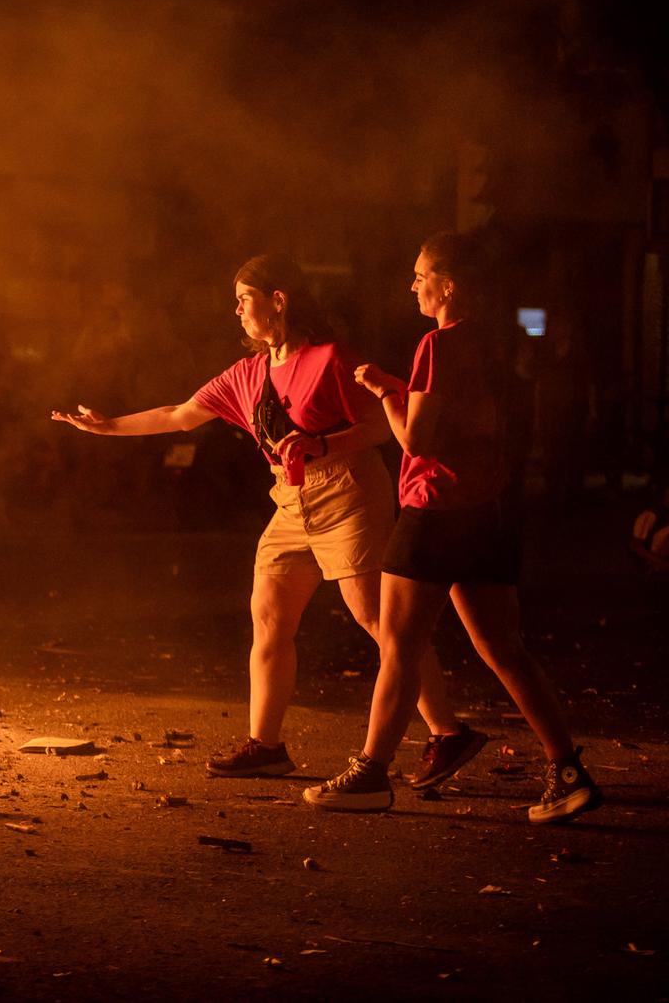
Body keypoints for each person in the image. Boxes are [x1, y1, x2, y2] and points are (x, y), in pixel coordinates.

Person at [54, 255, 470, 780]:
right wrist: (107, 427)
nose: (236, 310)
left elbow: (379, 429)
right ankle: (265, 745)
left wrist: (320, 443)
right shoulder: (249, 373)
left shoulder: (330, 358)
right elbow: (180, 415)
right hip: (291, 500)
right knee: (269, 617)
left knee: (381, 621)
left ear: (279, 300)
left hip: (349, 493)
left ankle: (448, 732)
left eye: (244, 298)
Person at [305, 233, 602, 821]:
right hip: (487, 511)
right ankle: (567, 770)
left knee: (399, 646)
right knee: (504, 649)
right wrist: (398, 387)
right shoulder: (497, 343)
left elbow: (416, 437)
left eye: (421, 276)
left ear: (450, 285)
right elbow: (462, 420)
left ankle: (369, 773)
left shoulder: (438, 343)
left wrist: (381, 395)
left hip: (434, 510)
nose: (412, 285)